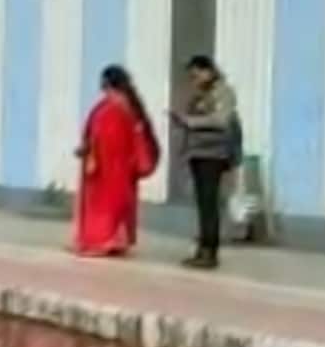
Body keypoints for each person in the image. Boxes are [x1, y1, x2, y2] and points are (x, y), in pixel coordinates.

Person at [73, 65, 161, 258]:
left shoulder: (113, 106)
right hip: (121, 165)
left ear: (106, 82)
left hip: (109, 165)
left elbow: (104, 137)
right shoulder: (126, 104)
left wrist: (90, 151)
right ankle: (116, 239)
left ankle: (103, 240)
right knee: (119, 203)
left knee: (104, 204)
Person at [171, 54, 239, 270]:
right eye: (192, 76)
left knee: (210, 204)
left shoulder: (223, 92)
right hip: (199, 153)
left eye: (197, 74)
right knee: (203, 204)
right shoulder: (201, 94)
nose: (195, 79)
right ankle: (202, 248)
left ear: (208, 71)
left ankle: (210, 251)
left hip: (214, 155)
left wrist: (191, 121)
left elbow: (221, 119)